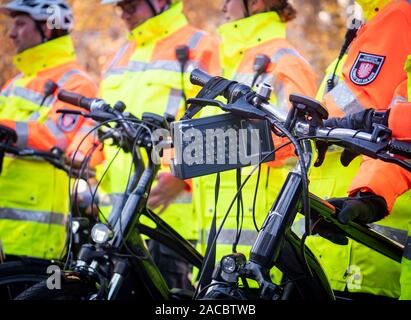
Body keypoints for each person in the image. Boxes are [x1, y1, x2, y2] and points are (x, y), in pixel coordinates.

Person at [192, 0, 317, 286]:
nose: (221, 5)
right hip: (215, 241)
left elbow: (297, 137)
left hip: (262, 247)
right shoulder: (229, 59)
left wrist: (214, 150)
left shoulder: (286, 61)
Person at [98, 0, 219, 290]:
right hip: (119, 215)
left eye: (131, 4)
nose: (124, 12)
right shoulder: (121, 53)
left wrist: (182, 177)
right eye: (119, 6)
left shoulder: (201, 45)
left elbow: (213, 119)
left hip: (172, 216)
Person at [302, 0, 411, 299]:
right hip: (348, 232)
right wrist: (370, 195)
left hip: (365, 260)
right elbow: (403, 131)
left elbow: (366, 101)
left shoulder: (398, 16)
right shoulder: (368, 26)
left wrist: (308, 121)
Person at [0, 0, 99, 260]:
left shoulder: (76, 82)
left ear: (49, 28)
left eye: (20, 24)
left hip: (32, 234)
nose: (11, 33)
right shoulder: (17, 82)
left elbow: (55, 137)